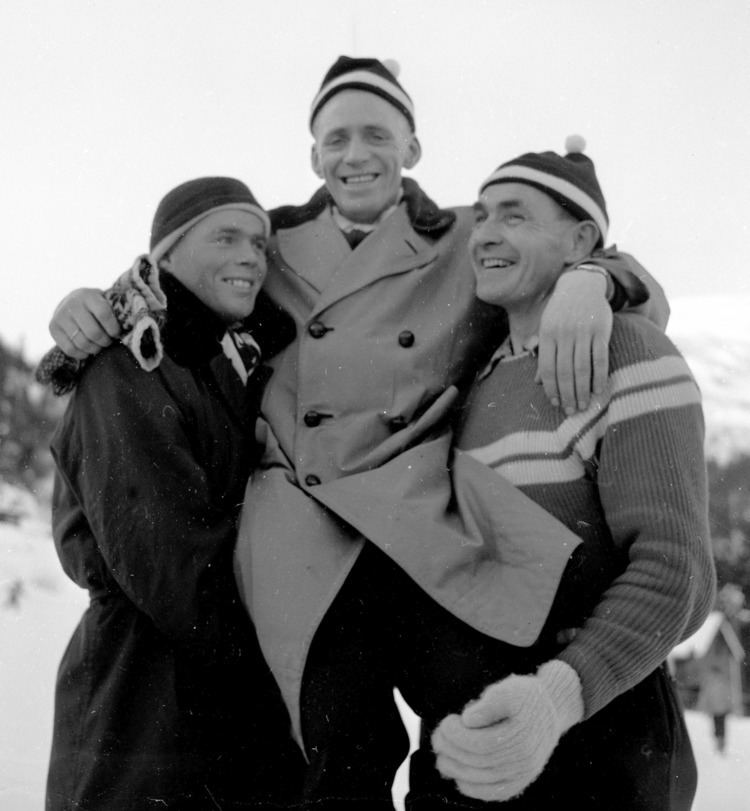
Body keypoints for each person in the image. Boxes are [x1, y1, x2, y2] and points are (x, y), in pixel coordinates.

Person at [48, 58, 669, 809]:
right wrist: (93, 303)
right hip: (297, 526)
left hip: (418, 518)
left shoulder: (463, 238)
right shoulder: (270, 241)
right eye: (335, 138)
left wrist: (596, 281)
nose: (355, 154)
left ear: (412, 149)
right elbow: (175, 278)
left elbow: (573, 245)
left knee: (478, 735)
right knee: (335, 754)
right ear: (313, 156)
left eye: (377, 133)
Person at [402, 142, 716, 809]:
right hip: (469, 741)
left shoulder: (628, 347)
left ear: (580, 239)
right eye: (481, 215)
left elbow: (675, 568)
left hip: (597, 731)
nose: (484, 232)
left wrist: (556, 695)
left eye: (514, 216)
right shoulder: (473, 373)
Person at [45, 177, 304, 811]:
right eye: (226, 236)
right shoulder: (130, 363)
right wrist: (282, 657)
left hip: (210, 689)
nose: (251, 256)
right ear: (164, 255)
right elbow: (168, 562)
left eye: (260, 243)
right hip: (140, 691)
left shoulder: (228, 362)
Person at [697, 662, 734, 754]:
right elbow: (706, 696)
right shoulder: (712, 683)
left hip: (720, 709)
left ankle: (721, 745)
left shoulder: (720, 683)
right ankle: (719, 745)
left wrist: (729, 705)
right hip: (717, 709)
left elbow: (727, 695)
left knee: (719, 727)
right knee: (718, 727)